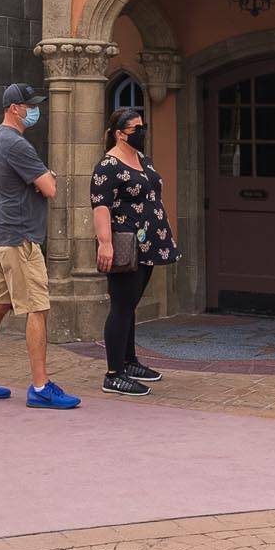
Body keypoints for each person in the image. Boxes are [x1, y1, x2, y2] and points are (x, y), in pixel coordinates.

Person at [0, 84, 77, 409]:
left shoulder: (1, 139)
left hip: (4, 236)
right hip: (21, 240)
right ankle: (41, 387)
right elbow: (51, 188)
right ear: (14, 107)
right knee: (38, 308)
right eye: (29, 105)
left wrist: (40, 180)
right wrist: (46, 178)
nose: (34, 110)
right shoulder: (16, 144)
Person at [90, 104, 178, 397]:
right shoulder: (108, 166)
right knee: (121, 305)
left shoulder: (142, 159)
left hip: (149, 243)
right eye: (135, 129)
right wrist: (105, 243)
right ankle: (114, 374)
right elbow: (100, 206)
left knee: (131, 305)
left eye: (143, 128)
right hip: (125, 244)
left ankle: (129, 361)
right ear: (119, 134)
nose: (141, 133)